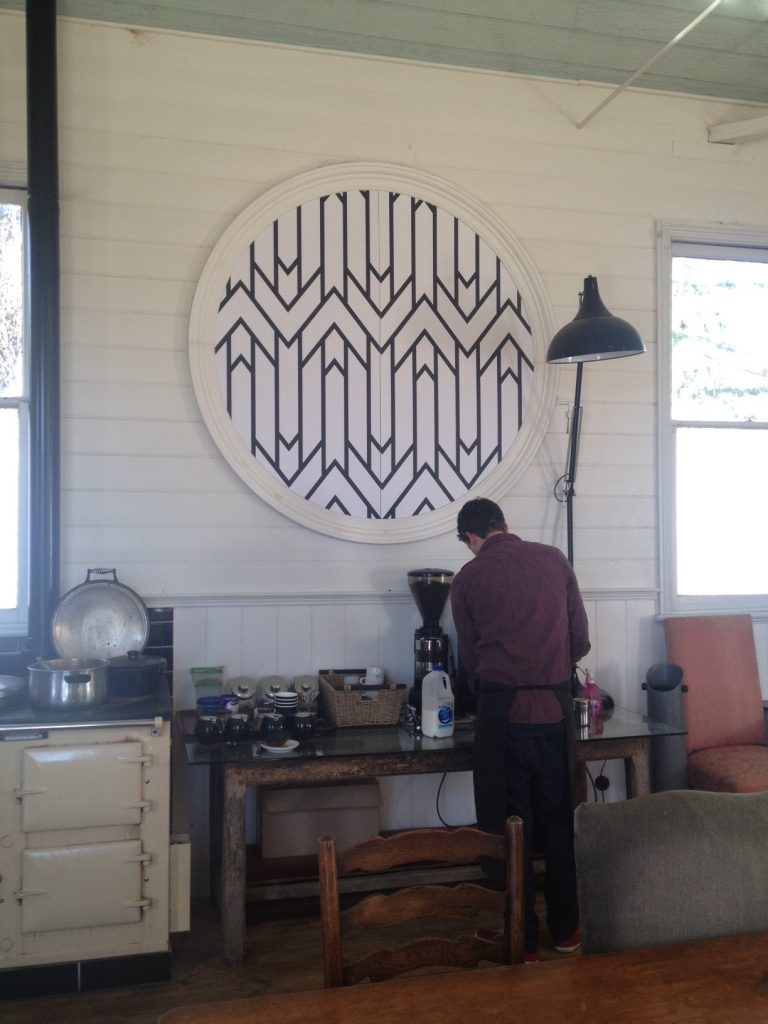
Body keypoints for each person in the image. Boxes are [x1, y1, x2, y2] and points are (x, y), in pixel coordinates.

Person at [450, 497, 590, 962]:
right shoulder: (553, 559)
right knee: (560, 824)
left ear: (471, 538)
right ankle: (568, 932)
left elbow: (470, 661)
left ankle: (522, 940)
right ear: (504, 525)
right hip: (554, 710)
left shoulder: (468, 578)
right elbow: (580, 640)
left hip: (502, 716)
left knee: (511, 829)